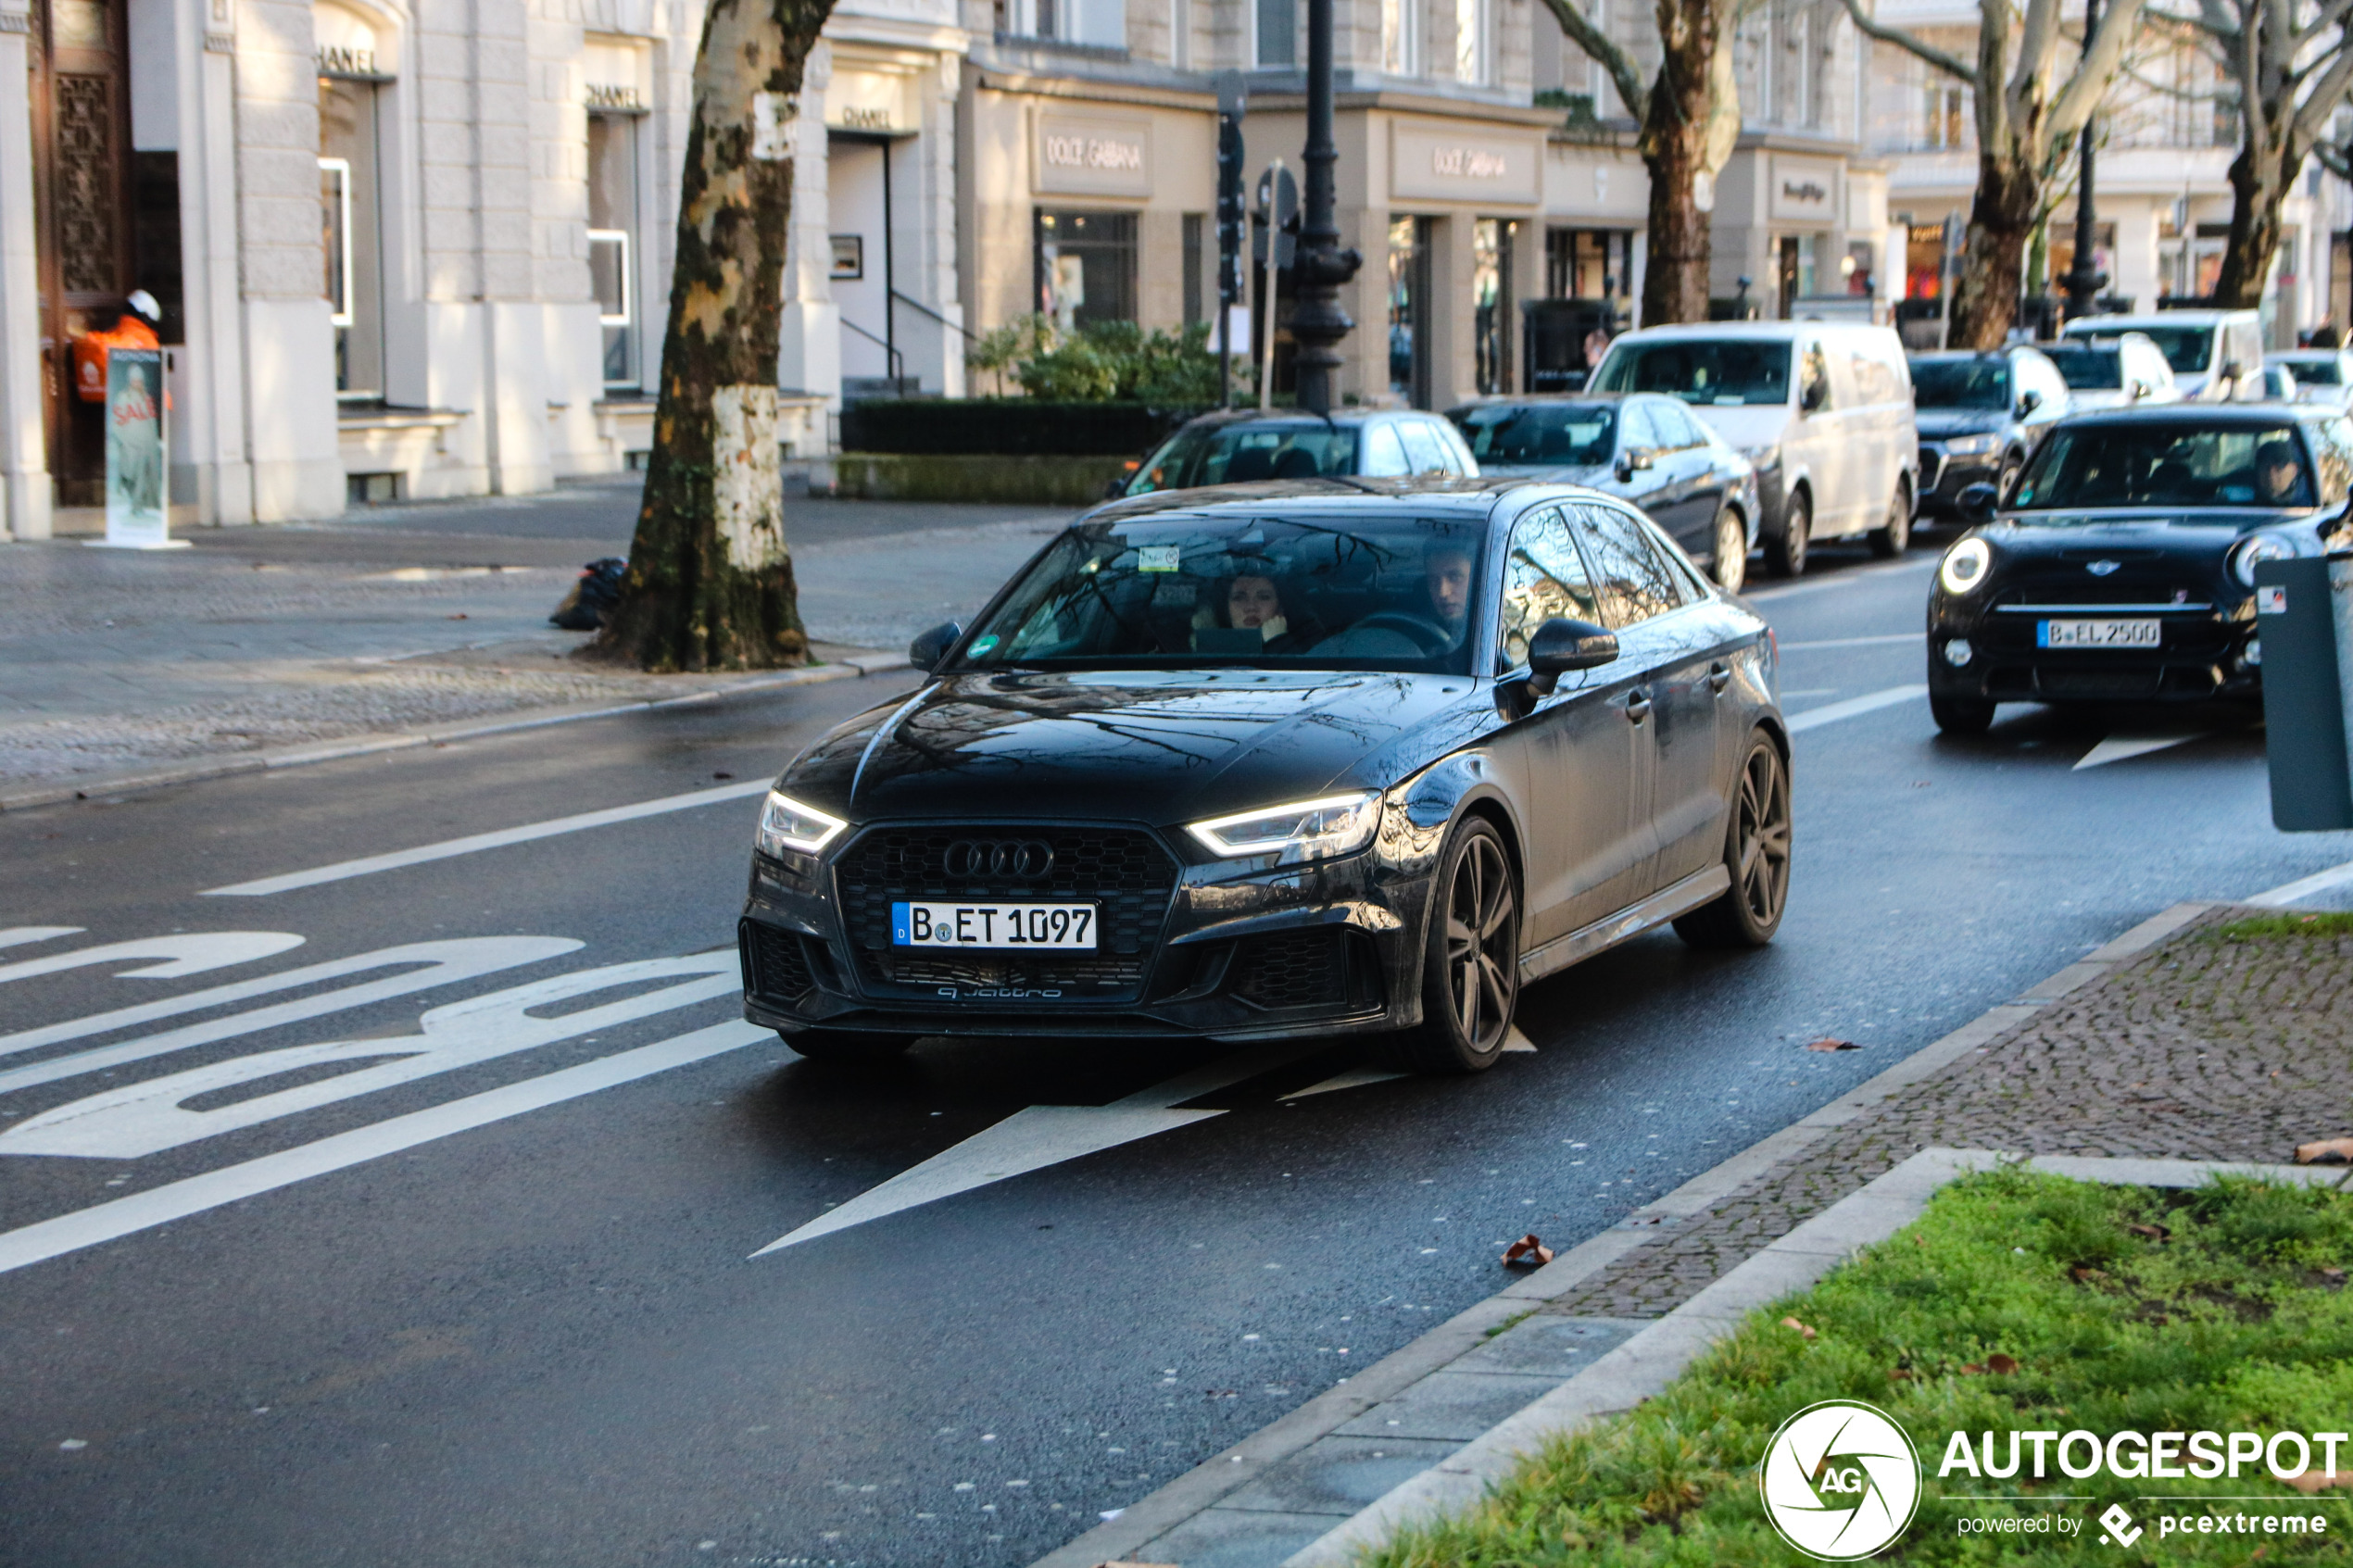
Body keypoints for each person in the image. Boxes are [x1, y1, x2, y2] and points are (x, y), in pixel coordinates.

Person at [1424, 541, 1475, 646]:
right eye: (1433, 581)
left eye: (1455, 578)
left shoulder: (1494, 633)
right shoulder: (1413, 639)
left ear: (1477, 579)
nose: (1443, 592)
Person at [2256, 438, 2308, 505]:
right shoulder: (2243, 498)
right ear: (2258, 471)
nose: (2271, 473)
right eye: (2266, 466)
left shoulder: (2304, 502)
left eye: (2279, 466)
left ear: (2294, 470)